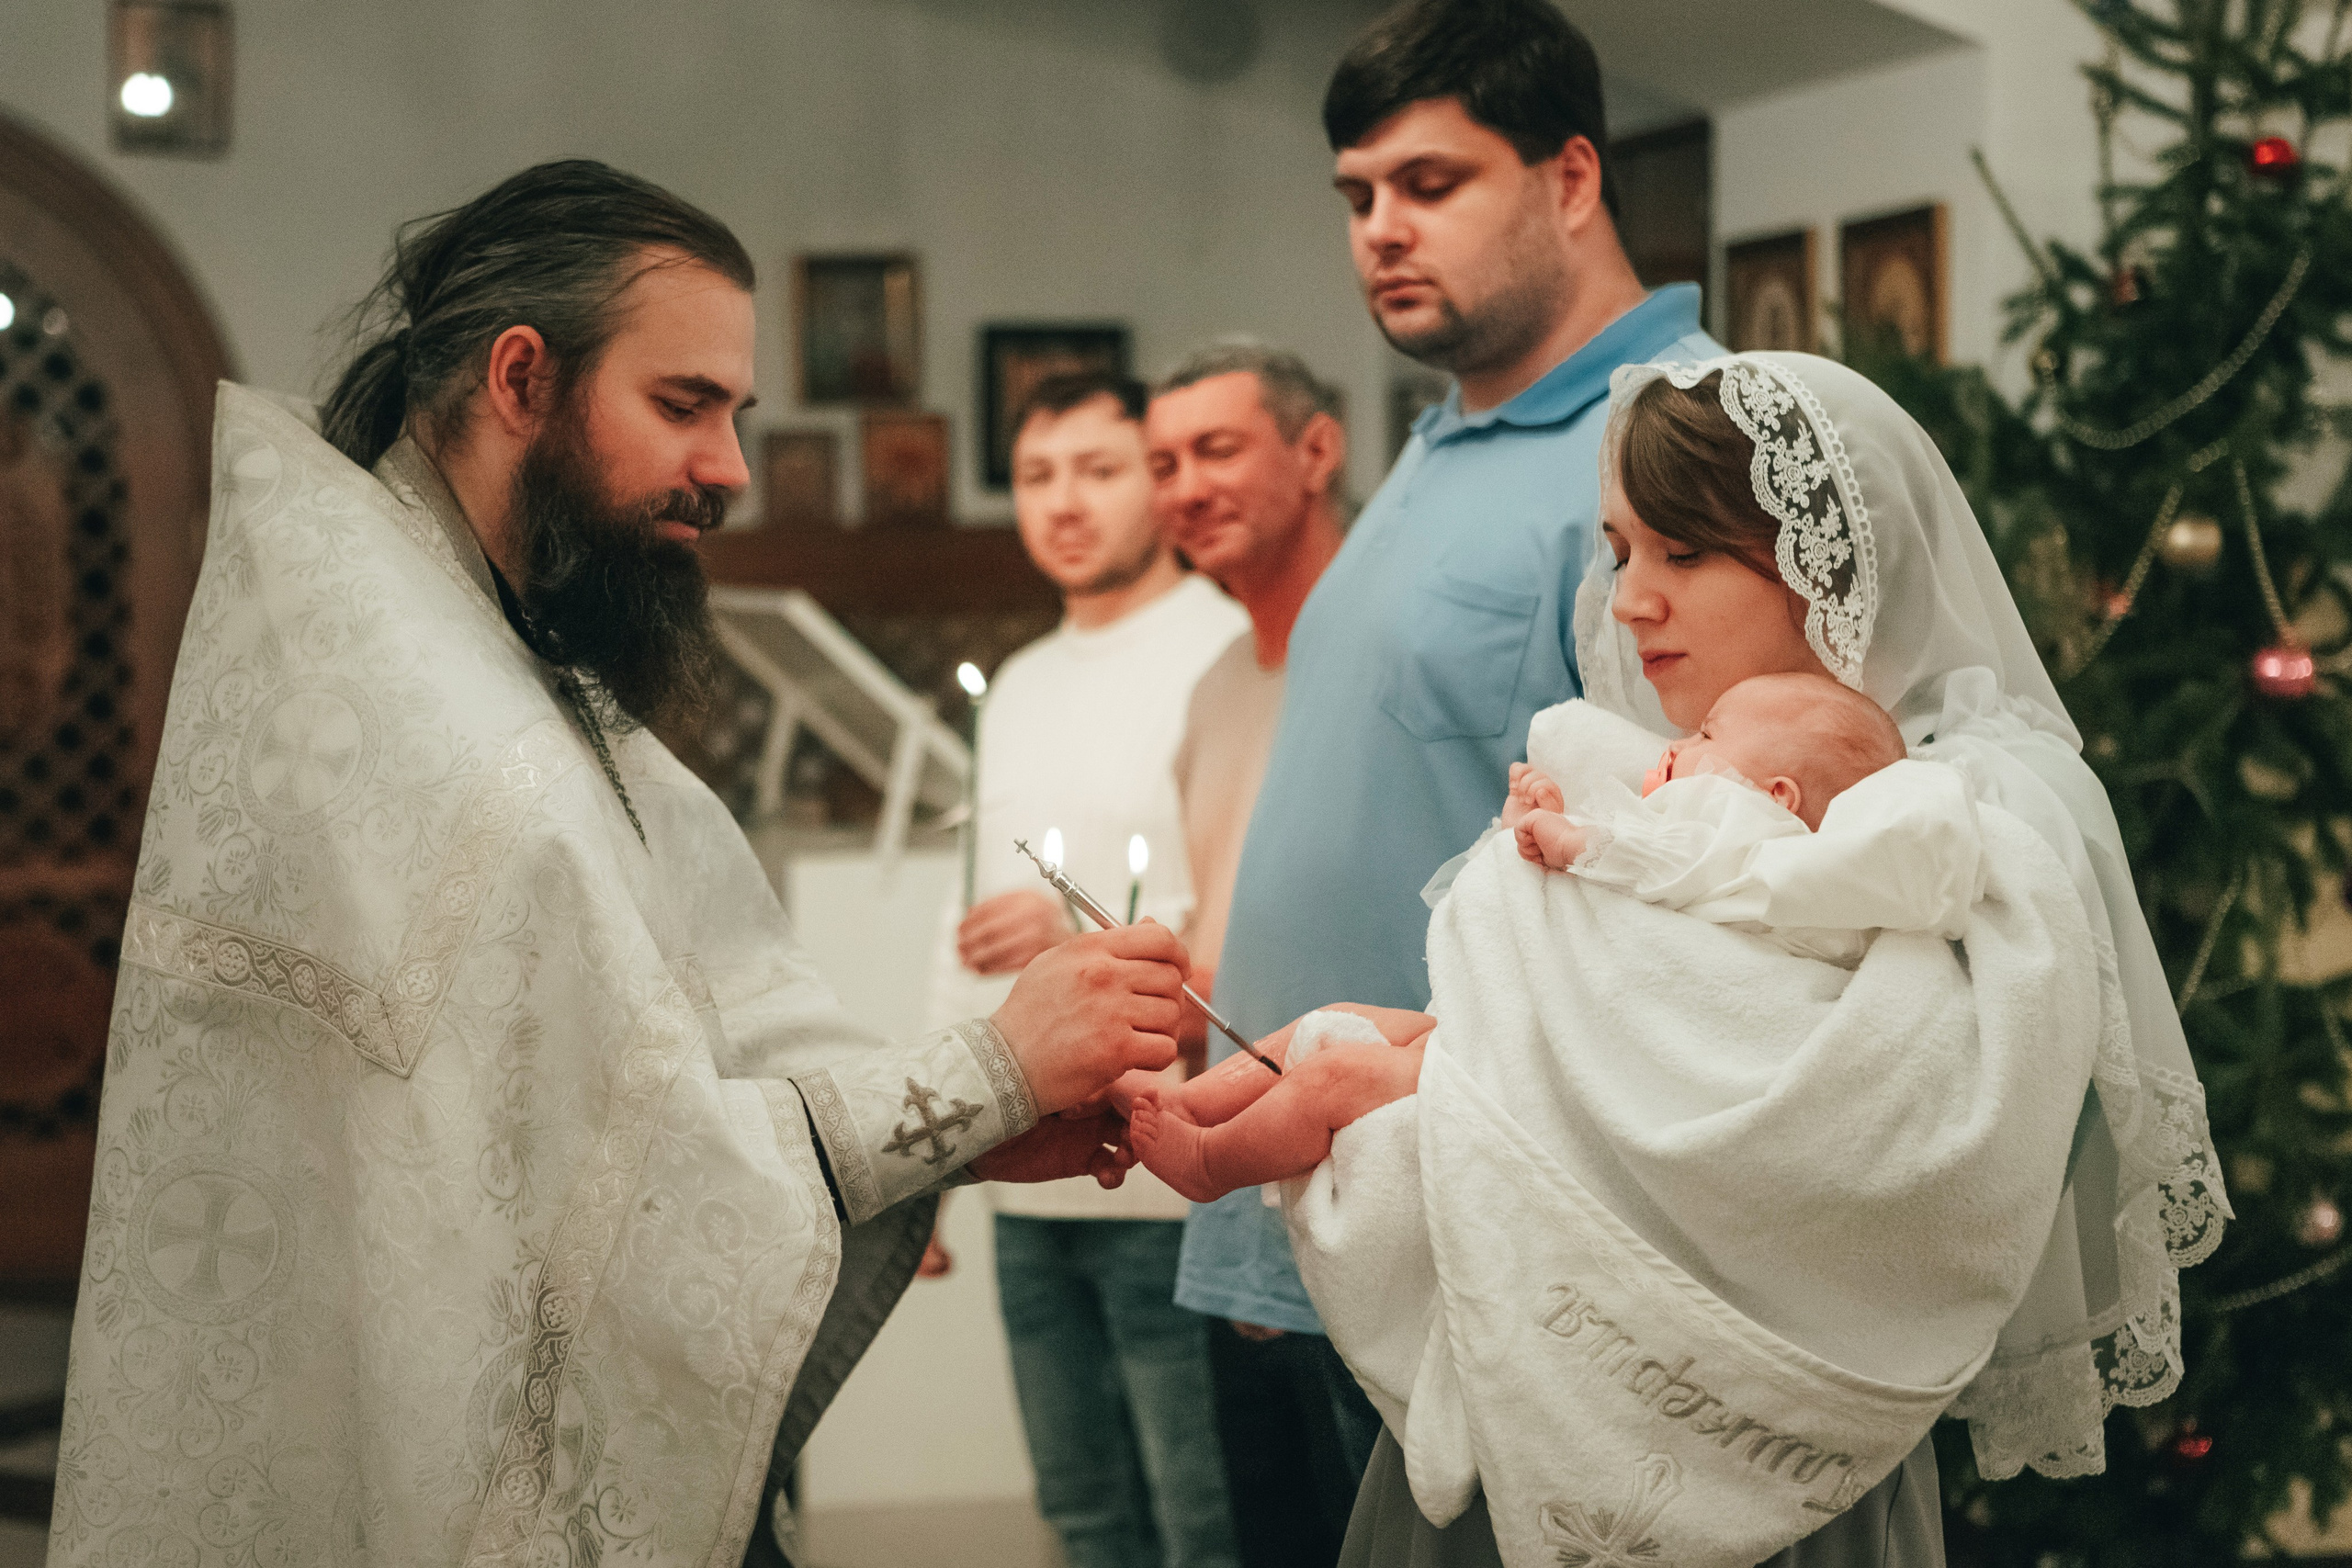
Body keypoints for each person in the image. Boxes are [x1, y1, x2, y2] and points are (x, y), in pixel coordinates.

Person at [44, 162, 1196, 1568]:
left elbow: (653, 1048)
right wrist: (983, 1076)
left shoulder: (475, 640)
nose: (728, 468)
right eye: (684, 405)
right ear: (522, 376)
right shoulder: (435, 711)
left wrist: (956, 1126)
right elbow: (628, 1172)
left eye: (735, 414)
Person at [1287, 353, 2230, 1567]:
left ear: (1819, 561)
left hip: (1764, 1436)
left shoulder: (1953, 813)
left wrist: (1435, 1102)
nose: (1631, 600)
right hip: (1517, 1376)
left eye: (1683, 555)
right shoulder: (1653, 776)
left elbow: (1839, 1140)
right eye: (1621, 552)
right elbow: (1540, 1023)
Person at [1174, 0, 1720, 1538]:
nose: (1381, 231)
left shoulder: (1672, 434)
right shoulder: (1442, 432)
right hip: (1294, 1217)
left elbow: (1693, 887)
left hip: (1470, 1243)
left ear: (1568, 179)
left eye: (1429, 183)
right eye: (1357, 197)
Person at [926, 370, 1246, 1568]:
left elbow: (1241, 902)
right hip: (1024, 1173)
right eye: (1039, 476)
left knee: (1202, 1519)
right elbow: (964, 921)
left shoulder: (1222, 651)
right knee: (1084, 1511)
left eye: (1100, 471)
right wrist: (936, 1160)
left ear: (1159, 486)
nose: (1065, 503)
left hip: (1171, 1161)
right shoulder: (1017, 680)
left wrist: (1072, 937)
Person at [1145, 342, 1364, 1562]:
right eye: (1165, 462)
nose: (1184, 487)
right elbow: (1231, 920)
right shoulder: (1220, 681)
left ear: (1316, 450)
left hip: (1360, 1163)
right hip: (1237, 1176)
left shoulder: (1382, 655)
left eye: (1217, 449)